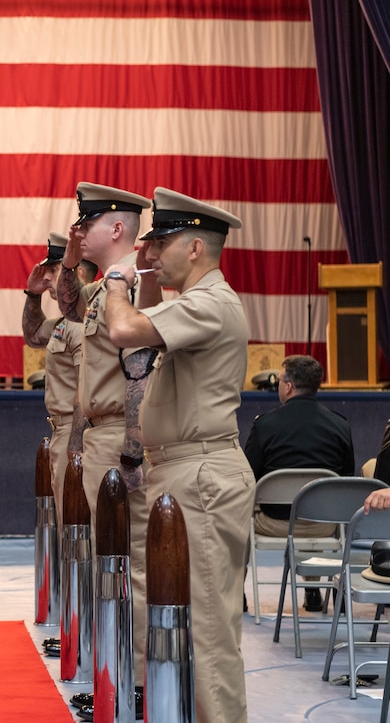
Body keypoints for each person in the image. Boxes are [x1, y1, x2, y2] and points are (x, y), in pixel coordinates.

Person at [103, 187, 254, 723]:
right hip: (181, 470)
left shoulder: (211, 302)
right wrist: (141, 279)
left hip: (203, 475)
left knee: (209, 635)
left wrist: (117, 281)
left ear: (195, 247)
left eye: (161, 243)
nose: (149, 254)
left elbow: (124, 330)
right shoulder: (191, 304)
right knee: (178, 622)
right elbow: (147, 332)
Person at [55, 182, 153, 718]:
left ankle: (136, 687)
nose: (78, 230)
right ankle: (114, 679)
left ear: (116, 228)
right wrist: (69, 264)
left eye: (85, 223)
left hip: (121, 438)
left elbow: (139, 373)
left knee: (129, 564)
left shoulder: (133, 286)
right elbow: (69, 309)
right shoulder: (103, 288)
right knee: (103, 564)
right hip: (99, 437)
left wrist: (133, 452)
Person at [21, 232, 96, 659]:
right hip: (61, 430)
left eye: (51, 271)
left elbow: (88, 388)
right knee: (70, 536)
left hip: (76, 431)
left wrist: (78, 445)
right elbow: (33, 333)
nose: (48, 278)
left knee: (79, 537)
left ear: (76, 272)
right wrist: (31, 295)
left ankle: (84, 635)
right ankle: (77, 631)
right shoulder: (64, 323)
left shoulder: (85, 323)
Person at [243, 355, 355, 611]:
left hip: (273, 524)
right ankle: (313, 589)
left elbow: (248, 476)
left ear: (289, 386)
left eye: (280, 380)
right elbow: (345, 481)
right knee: (314, 504)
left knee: (240, 509)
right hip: (323, 527)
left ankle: (238, 593)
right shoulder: (341, 425)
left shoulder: (265, 426)